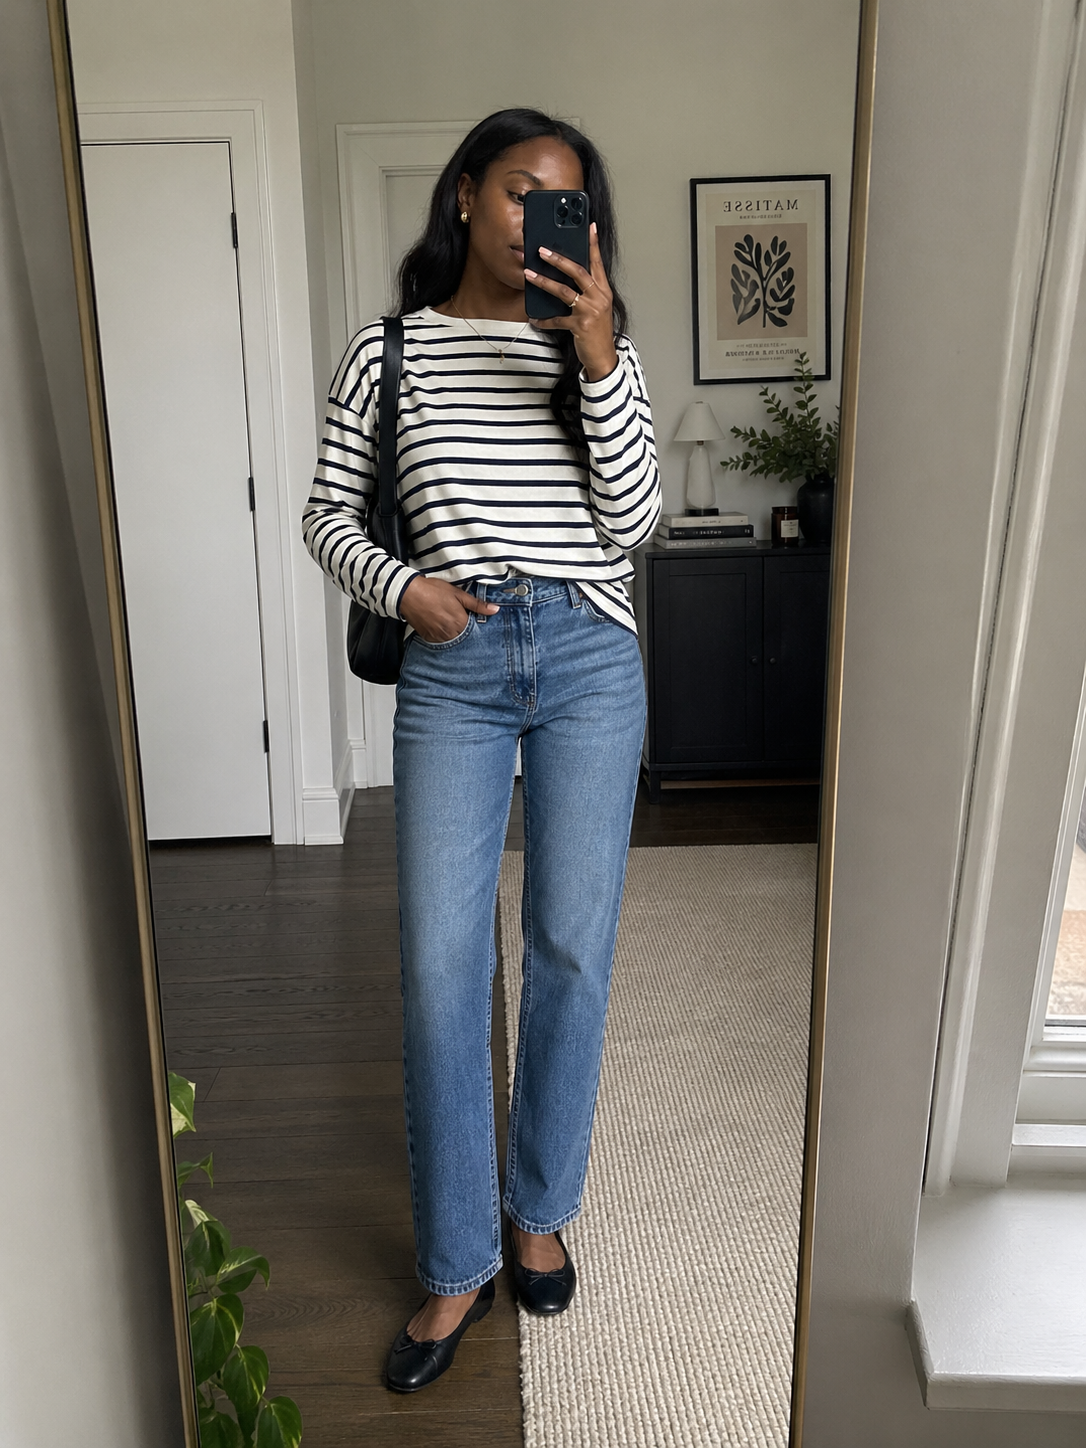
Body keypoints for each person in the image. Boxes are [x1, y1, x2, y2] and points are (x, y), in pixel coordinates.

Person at [302, 108, 661, 1393]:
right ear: (465, 197)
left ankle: (537, 1209)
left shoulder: (591, 346)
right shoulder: (388, 350)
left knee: (571, 943)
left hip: (585, 657)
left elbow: (637, 519)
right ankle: (457, 1261)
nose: (536, 220)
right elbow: (327, 512)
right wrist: (405, 590)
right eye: (519, 193)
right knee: (441, 964)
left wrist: (602, 347)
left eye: (564, 200)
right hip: (453, 658)